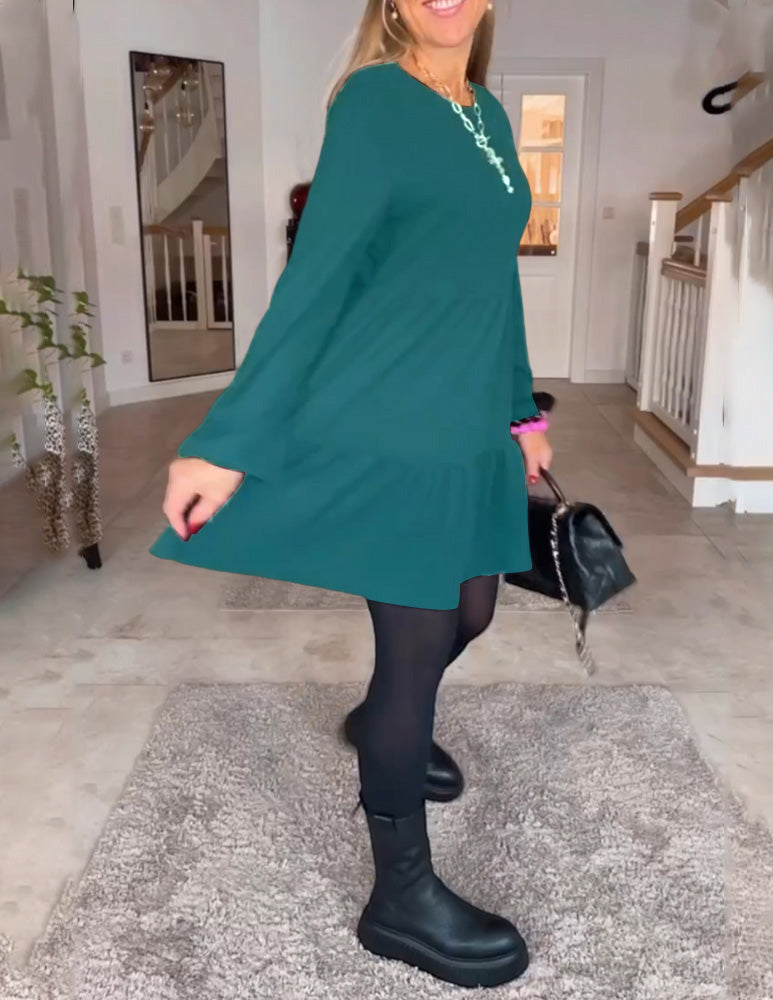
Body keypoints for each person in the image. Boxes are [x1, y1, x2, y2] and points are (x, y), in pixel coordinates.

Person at [151, 0, 552, 988]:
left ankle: (378, 725)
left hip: (467, 418)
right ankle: (399, 897)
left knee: (473, 609)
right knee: (415, 652)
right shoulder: (374, 102)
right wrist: (226, 441)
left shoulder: (487, 114)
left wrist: (521, 412)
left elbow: (492, 282)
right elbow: (315, 280)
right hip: (391, 419)